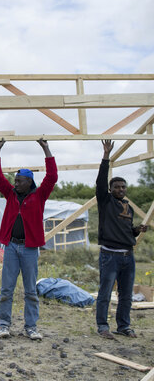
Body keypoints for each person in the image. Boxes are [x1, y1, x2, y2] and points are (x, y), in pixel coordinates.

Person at [0, 138, 57, 341]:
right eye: (15, 180)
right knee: (6, 289)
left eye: (19, 180)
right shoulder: (10, 194)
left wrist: (46, 149)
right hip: (11, 247)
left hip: (29, 249)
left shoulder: (40, 195)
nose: (15, 183)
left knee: (30, 291)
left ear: (29, 181)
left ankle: (31, 327)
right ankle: (4, 325)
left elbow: (52, 176)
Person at [95, 140, 148, 339]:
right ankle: (102, 326)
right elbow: (100, 181)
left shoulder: (128, 206)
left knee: (126, 295)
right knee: (105, 293)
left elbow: (126, 230)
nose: (121, 190)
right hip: (110, 256)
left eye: (123, 187)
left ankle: (123, 326)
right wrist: (106, 156)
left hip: (128, 256)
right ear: (110, 190)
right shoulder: (106, 201)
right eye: (117, 187)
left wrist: (137, 230)